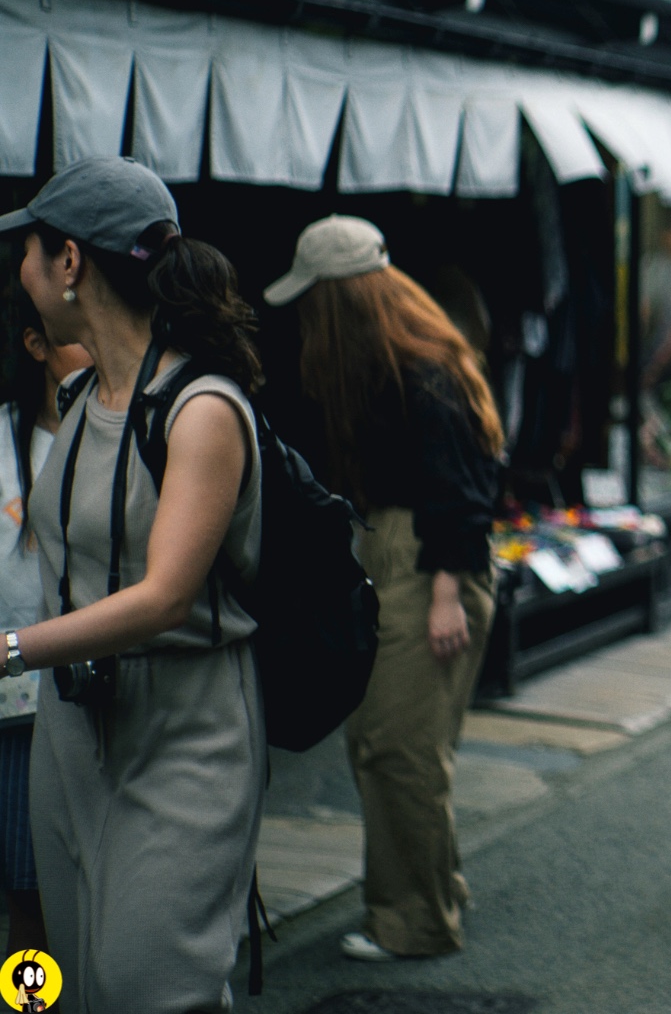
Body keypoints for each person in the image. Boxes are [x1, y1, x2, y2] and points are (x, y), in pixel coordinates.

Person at [1, 157, 265, 1011]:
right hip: (71, 732)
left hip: (185, 727)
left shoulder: (203, 409)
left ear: (71, 263)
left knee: (152, 983)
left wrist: (9, 649)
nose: (19, 271)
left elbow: (165, 598)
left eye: (31, 250)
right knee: (77, 987)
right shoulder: (80, 392)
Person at [263, 216, 504, 962]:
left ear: (340, 298)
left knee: (397, 749)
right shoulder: (413, 358)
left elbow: (460, 495)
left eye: (313, 300)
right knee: (396, 745)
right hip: (412, 557)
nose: (305, 315)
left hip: (428, 564)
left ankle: (416, 922)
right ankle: (430, 894)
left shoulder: (418, 371)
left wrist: (442, 596)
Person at [0, 285, 88, 958]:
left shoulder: (122, 429)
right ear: (36, 346)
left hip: (90, 690)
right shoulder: (6, 437)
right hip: (14, 699)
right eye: (74, 334)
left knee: (67, 896)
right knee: (28, 900)